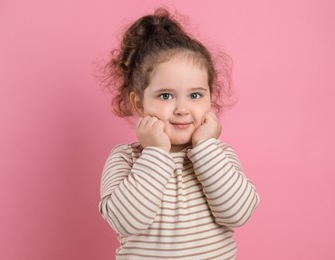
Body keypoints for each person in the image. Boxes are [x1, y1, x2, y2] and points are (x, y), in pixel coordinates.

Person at [98, 8, 259, 259]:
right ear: (139, 103)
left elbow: (238, 214)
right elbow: (126, 222)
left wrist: (205, 146)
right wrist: (154, 152)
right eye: (166, 96)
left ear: (209, 98)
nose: (183, 109)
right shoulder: (125, 159)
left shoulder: (219, 155)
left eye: (195, 95)